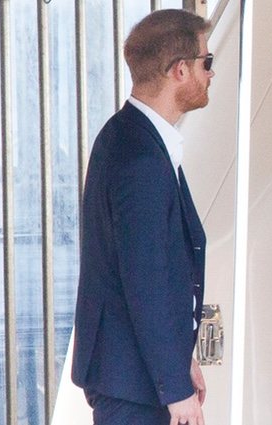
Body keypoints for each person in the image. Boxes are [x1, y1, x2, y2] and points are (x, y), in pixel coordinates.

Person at [71, 9, 215, 425]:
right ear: (181, 70)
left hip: (135, 377)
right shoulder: (139, 154)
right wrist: (174, 387)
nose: (211, 73)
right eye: (208, 62)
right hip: (133, 385)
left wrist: (179, 362)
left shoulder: (135, 137)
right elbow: (145, 277)